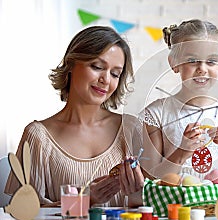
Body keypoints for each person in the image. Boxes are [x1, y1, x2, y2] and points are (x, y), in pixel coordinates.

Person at [4, 26, 144, 207]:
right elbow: (21, 211)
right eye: (97, 67)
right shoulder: (38, 137)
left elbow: (156, 204)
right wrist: (83, 200)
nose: (106, 80)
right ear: (71, 65)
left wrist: (139, 195)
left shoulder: (131, 129)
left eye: (115, 74)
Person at [140, 19, 218, 193]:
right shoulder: (157, 114)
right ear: (174, 63)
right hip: (176, 214)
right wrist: (182, 152)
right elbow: (150, 181)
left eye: (211, 61)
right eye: (192, 60)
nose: (202, 69)